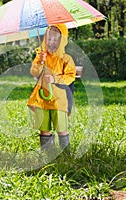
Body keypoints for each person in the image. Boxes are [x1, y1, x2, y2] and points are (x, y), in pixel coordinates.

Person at [27, 24, 76, 155]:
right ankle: (47, 153)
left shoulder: (66, 59)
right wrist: (40, 62)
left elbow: (70, 77)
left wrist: (55, 79)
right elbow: (34, 72)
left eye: (55, 40)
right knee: (44, 128)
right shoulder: (41, 56)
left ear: (62, 41)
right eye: (49, 39)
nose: (51, 42)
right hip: (43, 99)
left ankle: (65, 154)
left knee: (61, 127)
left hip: (59, 100)